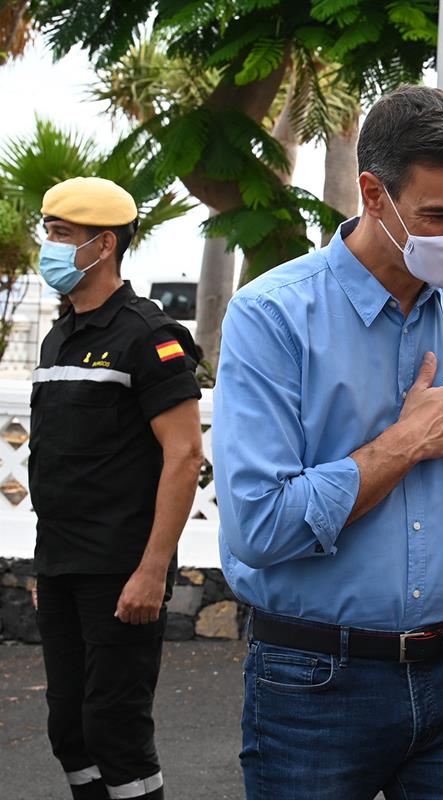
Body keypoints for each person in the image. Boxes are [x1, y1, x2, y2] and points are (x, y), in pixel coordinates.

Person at [213, 85, 443, 800]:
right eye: (440, 216)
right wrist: (405, 443)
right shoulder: (273, 317)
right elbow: (258, 525)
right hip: (314, 682)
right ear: (372, 195)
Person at [30, 177, 205, 800]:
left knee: (114, 730)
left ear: (103, 245)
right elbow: (61, 461)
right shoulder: (59, 335)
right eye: (47, 231)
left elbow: (185, 456)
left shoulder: (146, 335)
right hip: (62, 566)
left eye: (61, 235)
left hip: (121, 570)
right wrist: (43, 564)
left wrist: (152, 571)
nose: (48, 245)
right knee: (68, 730)